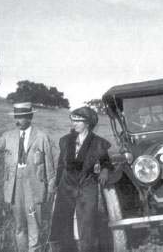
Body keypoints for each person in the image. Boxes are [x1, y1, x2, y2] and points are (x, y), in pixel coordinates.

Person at [0, 102, 59, 252]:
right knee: (20, 226)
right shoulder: (8, 136)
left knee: (34, 225)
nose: (17, 121)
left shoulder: (41, 136)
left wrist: (51, 188)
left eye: (21, 117)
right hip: (14, 186)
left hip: (34, 186)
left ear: (30, 117)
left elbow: (50, 165)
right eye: (16, 117)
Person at [49, 107, 112, 252]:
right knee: (64, 221)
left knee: (87, 222)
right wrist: (56, 184)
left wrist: (105, 169)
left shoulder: (98, 143)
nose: (74, 123)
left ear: (87, 123)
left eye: (78, 121)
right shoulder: (65, 141)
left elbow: (106, 161)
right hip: (66, 186)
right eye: (73, 120)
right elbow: (60, 165)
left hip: (87, 185)